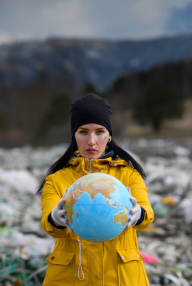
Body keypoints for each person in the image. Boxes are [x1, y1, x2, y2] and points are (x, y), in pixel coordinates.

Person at [38, 93, 154, 285]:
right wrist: (56, 219)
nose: (91, 141)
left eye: (99, 132)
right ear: (74, 135)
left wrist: (138, 214)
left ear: (109, 135)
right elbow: (48, 225)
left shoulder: (129, 175)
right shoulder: (56, 180)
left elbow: (147, 214)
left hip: (121, 278)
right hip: (70, 279)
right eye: (83, 132)